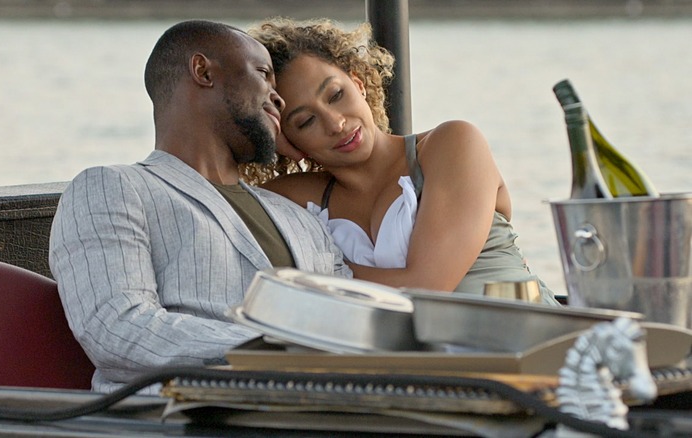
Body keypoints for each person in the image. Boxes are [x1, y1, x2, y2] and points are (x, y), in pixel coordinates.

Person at [49, 20, 352, 394]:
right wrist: (281, 355)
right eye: (263, 74)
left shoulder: (300, 219)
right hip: (182, 418)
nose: (279, 99)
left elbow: (350, 326)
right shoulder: (112, 187)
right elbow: (117, 327)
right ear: (203, 71)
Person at [242, 18, 559, 305]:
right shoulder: (294, 197)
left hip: (532, 350)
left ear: (359, 84)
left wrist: (312, 272)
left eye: (336, 95)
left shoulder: (451, 145)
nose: (336, 123)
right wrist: (271, 142)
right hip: (415, 364)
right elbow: (217, 206)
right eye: (306, 121)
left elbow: (426, 287)